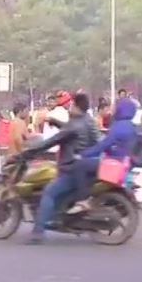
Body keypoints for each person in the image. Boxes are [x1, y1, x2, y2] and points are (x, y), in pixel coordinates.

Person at [23, 93, 99, 244]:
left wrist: (28, 152)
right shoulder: (87, 120)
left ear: (76, 106)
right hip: (85, 166)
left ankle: (37, 232)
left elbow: (52, 141)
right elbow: (69, 130)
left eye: (71, 105)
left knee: (49, 193)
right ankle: (56, 216)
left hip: (71, 168)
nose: (70, 108)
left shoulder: (74, 125)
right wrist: (55, 121)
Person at [71, 97, 139, 212]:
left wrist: (83, 154)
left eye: (116, 106)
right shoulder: (131, 126)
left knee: (80, 165)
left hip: (113, 163)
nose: (113, 109)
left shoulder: (119, 126)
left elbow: (103, 146)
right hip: (123, 162)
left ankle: (83, 199)